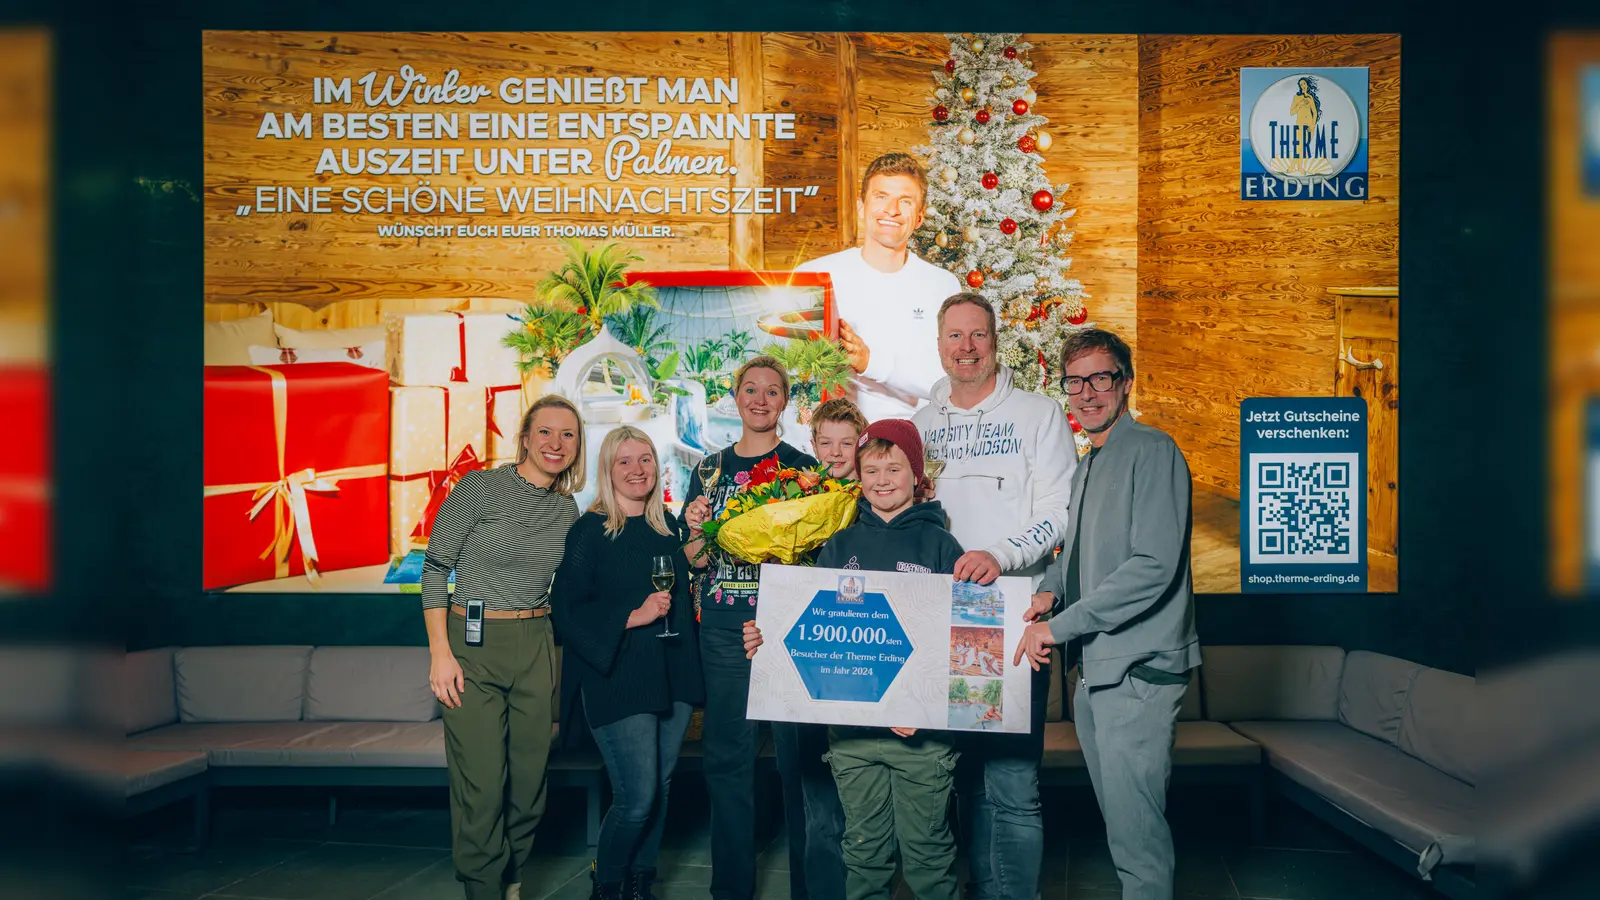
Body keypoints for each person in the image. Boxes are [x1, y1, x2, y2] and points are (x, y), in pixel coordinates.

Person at [1013, 328, 1201, 900]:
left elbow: (1152, 567)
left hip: (1138, 670)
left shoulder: (1152, 450)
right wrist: (1049, 589)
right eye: (1076, 381)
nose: (1088, 392)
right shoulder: (1089, 462)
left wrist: (1058, 625)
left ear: (1125, 382)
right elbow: (1072, 550)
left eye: (1101, 378)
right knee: (1124, 828)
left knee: (1137, 838)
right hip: (1097, 673)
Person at [747, 419, 965, 900]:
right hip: (852, 739)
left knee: (928, 857)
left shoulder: (942, 546)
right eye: (872, 469)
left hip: (923, 742)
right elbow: (813, 635)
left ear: (918, 474)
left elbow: (959, 644)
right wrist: (768, 641)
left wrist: (925, 710)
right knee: (863, 856)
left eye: (895, 467)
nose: (883, 479)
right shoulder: (839, 547)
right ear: (858, 477)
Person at [911, 293, 1076, 900]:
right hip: (941, 623)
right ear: (938, 344)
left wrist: (999, 556)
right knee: (963, 779)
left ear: (995, 340)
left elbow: (1060, 513)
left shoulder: (1039, 414)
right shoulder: (920, 427)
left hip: (1011, 622)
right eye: (954, 336)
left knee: (1012, 782)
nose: (966, 348)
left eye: (977, 335)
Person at [423, 394, 585, 900]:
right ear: (525, 436)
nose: (555, 444)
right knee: (483, 785)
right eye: (545, 432)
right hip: (471, 642)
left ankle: (510, 877)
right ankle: (483, 888)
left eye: (567, 435)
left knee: (531, 784)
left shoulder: (566, 508)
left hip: (536, 642)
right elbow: (434, 570)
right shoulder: (480, 486)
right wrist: (440, 655)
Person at [681, 356, 818, 900]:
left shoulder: (804, 470)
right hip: (721, 624)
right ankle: (730, 890)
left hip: (785, 626)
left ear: (785, 401)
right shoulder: (708, 470)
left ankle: (809, 888)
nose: (760, 400)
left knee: (798, 761)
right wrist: (691, 530)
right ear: (735, 397)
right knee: (726, 760)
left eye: (772, 392)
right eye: (750, 390)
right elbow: (693, 559)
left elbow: (816, 552)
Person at [550, 426, 704, 900]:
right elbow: (564, 611)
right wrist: (631, 617)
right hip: (618, 676)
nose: (637, 470)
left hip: (671, 669)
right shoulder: (590, 531)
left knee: (659, 788)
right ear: (608, 469)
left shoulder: (668, 527)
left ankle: (641, 883)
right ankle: (608, 885)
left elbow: (696, 566)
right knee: (636, 798)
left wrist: (697, 533)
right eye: (625, 461)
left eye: (646, 460)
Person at [763, 397, 866, 900]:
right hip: (803, 661)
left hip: (860, 661)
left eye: (846, 443)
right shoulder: (792, 500)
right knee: (809, 797)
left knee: (859, 802)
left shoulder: (876, 498)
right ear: (813, 445)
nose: (835, 452)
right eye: (826, 443)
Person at [796, 153, 962, 422]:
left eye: (905, 201)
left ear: (919, 217)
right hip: (835, 445)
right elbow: (790, 372)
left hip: (918, 440)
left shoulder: (942, 286)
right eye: (881, 197)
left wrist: (870, 362)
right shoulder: (814, 276)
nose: (892, 210)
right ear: (862, 206)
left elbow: (951, 381)